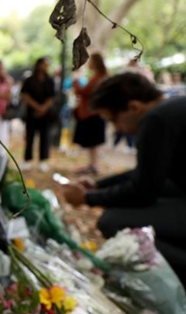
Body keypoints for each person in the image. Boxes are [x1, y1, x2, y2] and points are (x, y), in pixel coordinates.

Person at [60, 72, 186, 283]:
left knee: (113, 221)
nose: (117, 129)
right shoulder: (171, 109)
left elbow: (143, 192)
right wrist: (96, 185)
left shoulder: (155, 120)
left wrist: (88, 199)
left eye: (114, 121)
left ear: (134, 108)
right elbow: (149, 173)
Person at [73, 53, 109, 175]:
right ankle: (92, 164)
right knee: (92, 142)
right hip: (94, 113)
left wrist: (76, 81)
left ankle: (94, 165)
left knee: (92, 141)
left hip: (92, 114)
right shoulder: (100, 77)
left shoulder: (98, 78)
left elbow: (84, 92)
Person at [20, 57, 56, 170]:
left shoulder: (50, 80)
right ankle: (27, 159)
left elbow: (52, 97)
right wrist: (36, 107)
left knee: (44, 137)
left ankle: (43, 160)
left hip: (45, 115)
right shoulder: (29, 80)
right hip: (31, 114)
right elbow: (24, 95)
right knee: (30, 137)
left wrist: (43, 108)